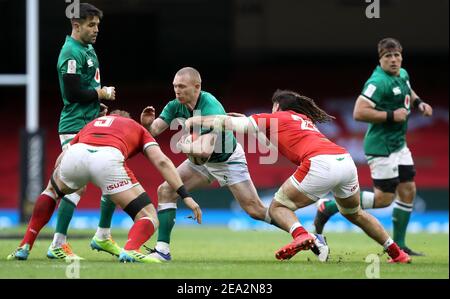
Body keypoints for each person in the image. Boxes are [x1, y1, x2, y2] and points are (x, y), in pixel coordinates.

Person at [186, 89, 411, 263]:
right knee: (355, 214)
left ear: (277, 105)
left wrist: (195, 120)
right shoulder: (303, 121)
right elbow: (266, 138)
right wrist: (245, 119)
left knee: (277, 208)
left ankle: (302, 234)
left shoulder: (276, 117)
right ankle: (397, 253)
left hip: (319, 164)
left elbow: (226, 123)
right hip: (345, 161)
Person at [140, 67, 329, 262]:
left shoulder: (210, 107)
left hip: (228, 160)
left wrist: (184, 145)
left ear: (197, 87)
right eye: (174, 86)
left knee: (255, 210)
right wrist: (147, 125)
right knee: (166, 190)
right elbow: (154, 131)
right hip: (202, 161)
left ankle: (311, 238)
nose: (177, 90)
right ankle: (162, 250)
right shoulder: (174, 105)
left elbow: (204, 152)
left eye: (181, 86)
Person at [8, 110, 202, 263]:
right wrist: (185, 195)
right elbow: (162, 162)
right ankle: (130, 249)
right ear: (128, 119)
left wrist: (57, 181)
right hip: (107, 159)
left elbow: (63, 157)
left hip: (75, 154)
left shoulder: (92, 124)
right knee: (148, 215)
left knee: (51, 191)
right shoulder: (136, 127)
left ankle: (25, 245)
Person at [7, 3, 119, 261]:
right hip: (74, 127)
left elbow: (83, 92)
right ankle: (62, 242)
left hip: (88, 123)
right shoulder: (70, 52)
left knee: (65, 185)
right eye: (91, 25)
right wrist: (100, 93)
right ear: (76, 25)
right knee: (75, 185)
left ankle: (29, 245)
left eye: (98, 25)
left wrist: (95, 104)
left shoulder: (87, 49)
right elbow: (71, 93)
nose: (96, 30)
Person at [313, 38, 433, 256]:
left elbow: (408, 90)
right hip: (382, 147)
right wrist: (390, 115)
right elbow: (358, 112)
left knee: (408, 190)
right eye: (388, 56)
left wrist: (419, 103)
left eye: (396, 55)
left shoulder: (402, 74)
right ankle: (329, 206)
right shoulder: (377, 82)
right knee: (384, 199)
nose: (394, 60)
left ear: (401, 56)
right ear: (381, 59)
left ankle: (400, 244)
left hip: (399, 145)